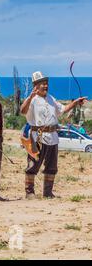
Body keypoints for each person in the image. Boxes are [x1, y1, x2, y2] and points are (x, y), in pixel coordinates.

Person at [20, 71, 87, 199]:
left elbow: (62, 109)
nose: (46, 86)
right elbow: (23, 111)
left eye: (46, 83)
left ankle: (48, 192)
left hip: (53, 137)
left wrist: (76, 102)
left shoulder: (51, 98)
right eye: (43, 84)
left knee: (51, 166)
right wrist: (29, 97)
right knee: (33, 164)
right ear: (36, 85)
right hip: (37, 137)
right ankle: (29, 192)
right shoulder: (32, 100)